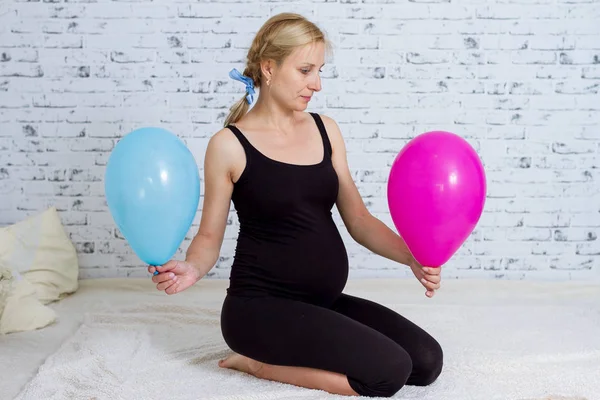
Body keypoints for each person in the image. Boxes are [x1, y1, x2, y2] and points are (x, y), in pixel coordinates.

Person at [148, 12, 443, 398]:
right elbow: (208, 236)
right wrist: (190, 268)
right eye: (305, 70)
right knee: (388, 373)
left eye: (319, 70)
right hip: (258, 311)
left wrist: (411, 258)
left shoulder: (326, 129)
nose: (316, 85)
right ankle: (258, 363)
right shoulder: (229, 145)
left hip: (320, 303)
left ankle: (286, 351)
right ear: (269, 68)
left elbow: (358, 218)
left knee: (426, 361)